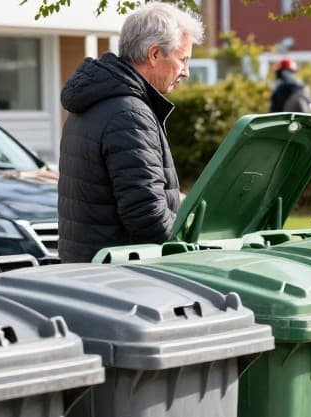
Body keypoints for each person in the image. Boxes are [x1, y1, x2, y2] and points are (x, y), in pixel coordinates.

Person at [57, 2, 203, 263]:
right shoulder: (129, 113)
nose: (186, 72)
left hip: (88, 272)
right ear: (155, 54)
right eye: (183, 59)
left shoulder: (96, 102)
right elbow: (147, 215)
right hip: (121, 280)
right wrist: (192, 246)